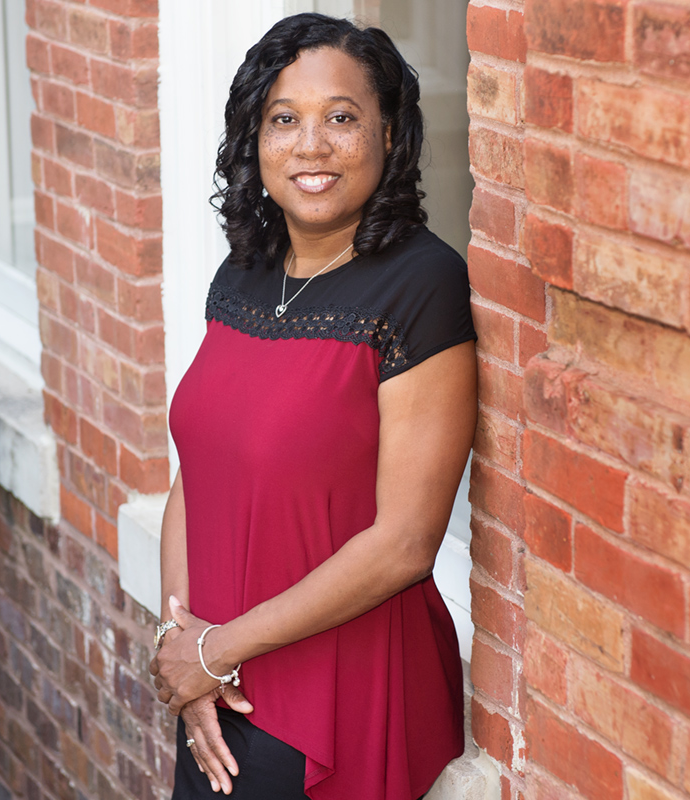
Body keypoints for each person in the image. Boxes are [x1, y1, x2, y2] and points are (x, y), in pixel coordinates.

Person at [148, 13, 476, 800]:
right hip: (217, 687)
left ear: (390, 135)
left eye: (342, 118)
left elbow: (404, 543)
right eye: (284, 119)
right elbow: (198, 472)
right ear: (254, 140)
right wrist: (179, 643)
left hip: (340, 692)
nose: (312, 145)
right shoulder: (243, 273)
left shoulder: (421, 284)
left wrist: (216, 649)